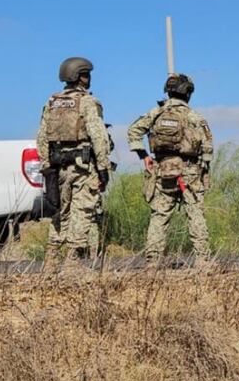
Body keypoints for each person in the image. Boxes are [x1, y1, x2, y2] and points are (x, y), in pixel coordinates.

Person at [127, 74, 213, 266]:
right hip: (189, 171)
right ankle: (203, 260)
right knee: (195, 213)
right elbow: (208, 147)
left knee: (159, 215)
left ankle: (152, 262)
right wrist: (204, 169)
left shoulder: (156, 112)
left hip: (163, 171)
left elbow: (133, 131)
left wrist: (144, 156)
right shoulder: (193, 116)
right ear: (188, 92)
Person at [36, 57, 113, 263]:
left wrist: (46, 166)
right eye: (86, 74)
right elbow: (99, 136)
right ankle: (73, 261)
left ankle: (50, 262)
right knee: (83, 211)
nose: (88, 78)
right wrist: (104, 167)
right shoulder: (87, 101)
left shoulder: (52, 102)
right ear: (79, 76)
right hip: (83, 168)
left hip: (58, 168)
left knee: (61, 213)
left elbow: (42, 137)